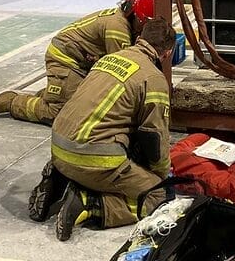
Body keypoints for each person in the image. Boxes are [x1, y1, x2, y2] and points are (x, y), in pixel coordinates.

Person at [28, 16, 175, 241]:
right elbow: (154, 137)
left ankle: (63, 179)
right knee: (157, 194)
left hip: (58, 146)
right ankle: (90, 204)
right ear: (167, 53)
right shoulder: (153, 79)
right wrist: (161, 175)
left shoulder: (108, 58)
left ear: (138, 38)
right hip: (93, 158)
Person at [0, 0, 155, 124]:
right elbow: (122, 75)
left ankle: (54, 93)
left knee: (73, 97)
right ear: (136, 18)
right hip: (66, 60)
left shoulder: (120, 20)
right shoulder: (118, 29)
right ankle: (9, 102)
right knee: (61, 113)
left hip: (78, 61)